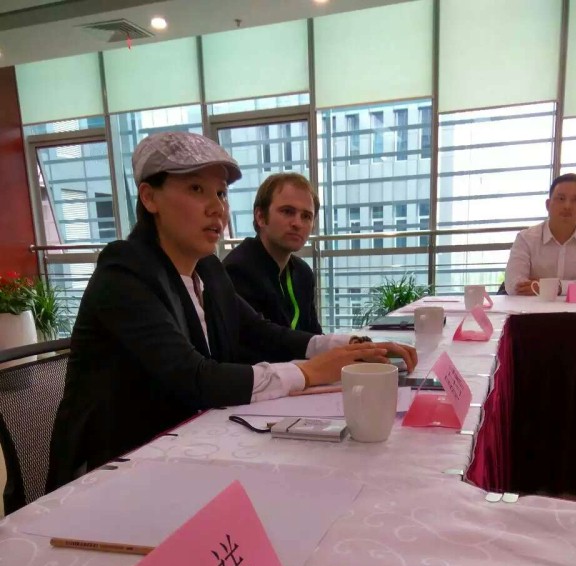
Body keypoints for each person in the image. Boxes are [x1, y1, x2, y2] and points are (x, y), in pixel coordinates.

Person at [46, 132, 417, 491]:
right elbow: (194, 378)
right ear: (149, 197)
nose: (217, 208)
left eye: (221, 193)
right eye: (196, 189)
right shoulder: (124, 272)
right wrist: (309, 371)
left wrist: (348, 347)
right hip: (116, 471)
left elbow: (261, 331)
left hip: (191, 447)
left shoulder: (208, 270)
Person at [223, 173, 322, 340]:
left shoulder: (303, 272)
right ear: (260, 217)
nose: (297, 223)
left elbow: (314, 334)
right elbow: (259, 342)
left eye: (306, 216)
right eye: (287, 211)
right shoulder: (237, 270)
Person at [505, 173, 576, 295]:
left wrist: (556, 287)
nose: (567, 206)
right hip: (534, 307)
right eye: (561, 199)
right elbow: (513, 285)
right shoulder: (526, 238)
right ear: (548, 205)